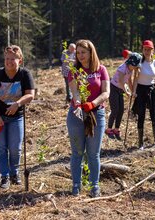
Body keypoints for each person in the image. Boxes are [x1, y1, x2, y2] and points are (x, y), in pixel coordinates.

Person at [0, 45, 35, 189]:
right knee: (1, 148)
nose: (9, 62)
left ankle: (15, 173)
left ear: (20, 60)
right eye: (7, 58)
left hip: (16, 117)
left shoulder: (25, 75)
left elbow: (30, 94)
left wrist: (17, 104)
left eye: (13, 59)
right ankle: (4, 176)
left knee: (15, 148)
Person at [66, 39, 110, 197]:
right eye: (78, 53)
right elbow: (74, 92)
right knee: (77, 151)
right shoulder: (74, 71)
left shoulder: (101, 69)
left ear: (91, 53)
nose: (80, 55)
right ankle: (76, 185)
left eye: (83, 52)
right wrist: (79, 102)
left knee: (93, 153)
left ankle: (94, 186)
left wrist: (93, 103)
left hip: (96, 114)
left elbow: (106, 92)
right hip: (76, 114)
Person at [132, 40, 155, 149]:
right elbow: (136, 78)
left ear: (153, 50)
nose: (147, 51)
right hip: (141, 91)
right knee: (141, 115)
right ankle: (140, 143)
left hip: (152, 90)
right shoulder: (139, 63)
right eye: (145, 49)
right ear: (142, 50)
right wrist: (133, 91)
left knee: (153, 115)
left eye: (149, 49)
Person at [106, 52, 142, 140]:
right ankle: (109, 129)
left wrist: (133, 91)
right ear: (131, 63)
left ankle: (116, 129)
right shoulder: (123, 68)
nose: (136, 68)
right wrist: (127, 92)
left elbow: (129, 81)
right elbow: (121, 82)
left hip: (120, 89)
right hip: (114, 88)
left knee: (121, 110)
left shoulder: (131, 70)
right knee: (115, 110)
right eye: (136, 66)